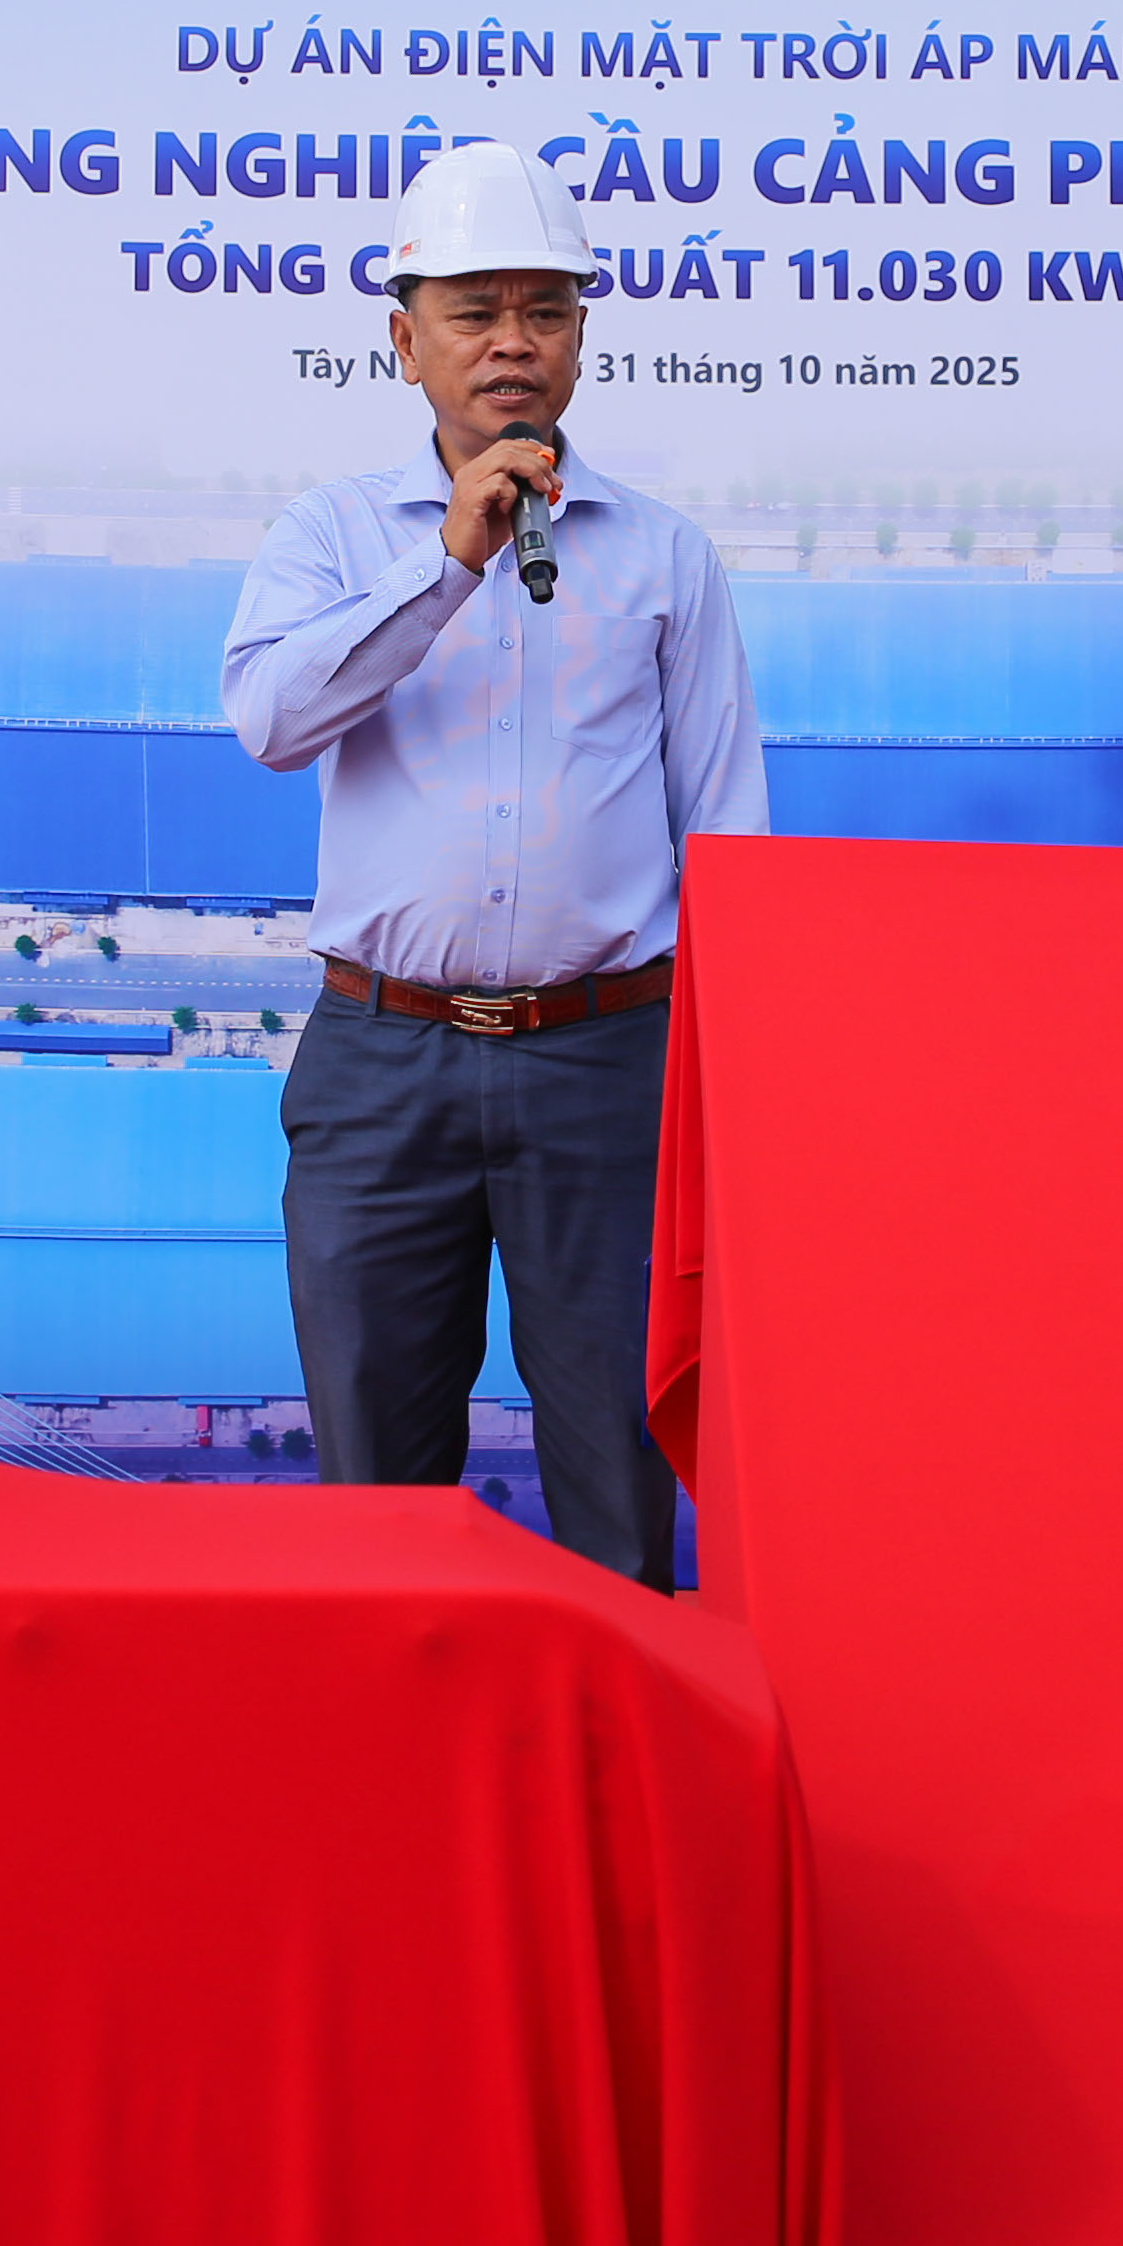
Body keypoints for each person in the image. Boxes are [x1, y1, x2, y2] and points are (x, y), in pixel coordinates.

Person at [220, 141, 764, 1586]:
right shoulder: (332, 536)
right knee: (376, 1490)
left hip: (607, 1067)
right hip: (380, 1063)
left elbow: (726, 829)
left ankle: (615, 1790)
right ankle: (395, 1789)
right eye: (474, 311)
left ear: (584, 335)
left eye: (545, 308)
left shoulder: (664, 557)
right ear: (405, 342)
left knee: (617, 1476)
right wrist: (445, 565)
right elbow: (271, 723)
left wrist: (732, 1091)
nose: (512, 342)